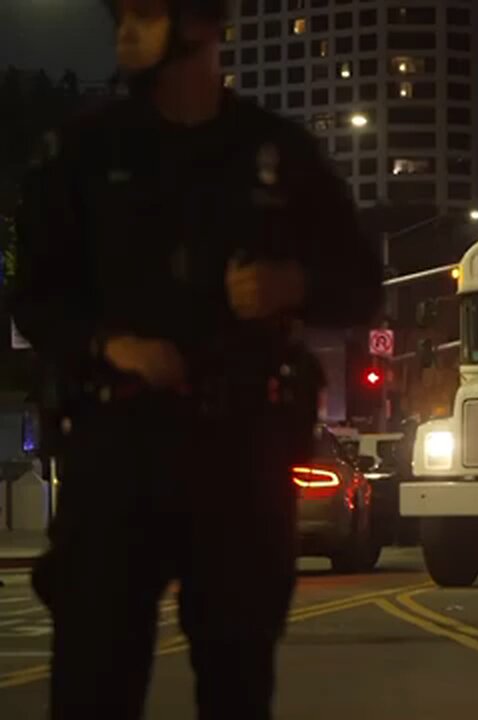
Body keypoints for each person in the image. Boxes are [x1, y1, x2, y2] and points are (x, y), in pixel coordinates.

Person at [8, 1, 382, 717]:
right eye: (119, 14)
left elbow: (360, 285)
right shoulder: (82, 152)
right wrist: (111, 346)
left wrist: (291, 283)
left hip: (237, 449)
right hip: (116, 447)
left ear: (203, 26)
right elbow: (35, 299)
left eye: (145, 14)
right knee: (94, 673)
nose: (124, 30)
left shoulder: (274, 155)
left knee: (236, 671)